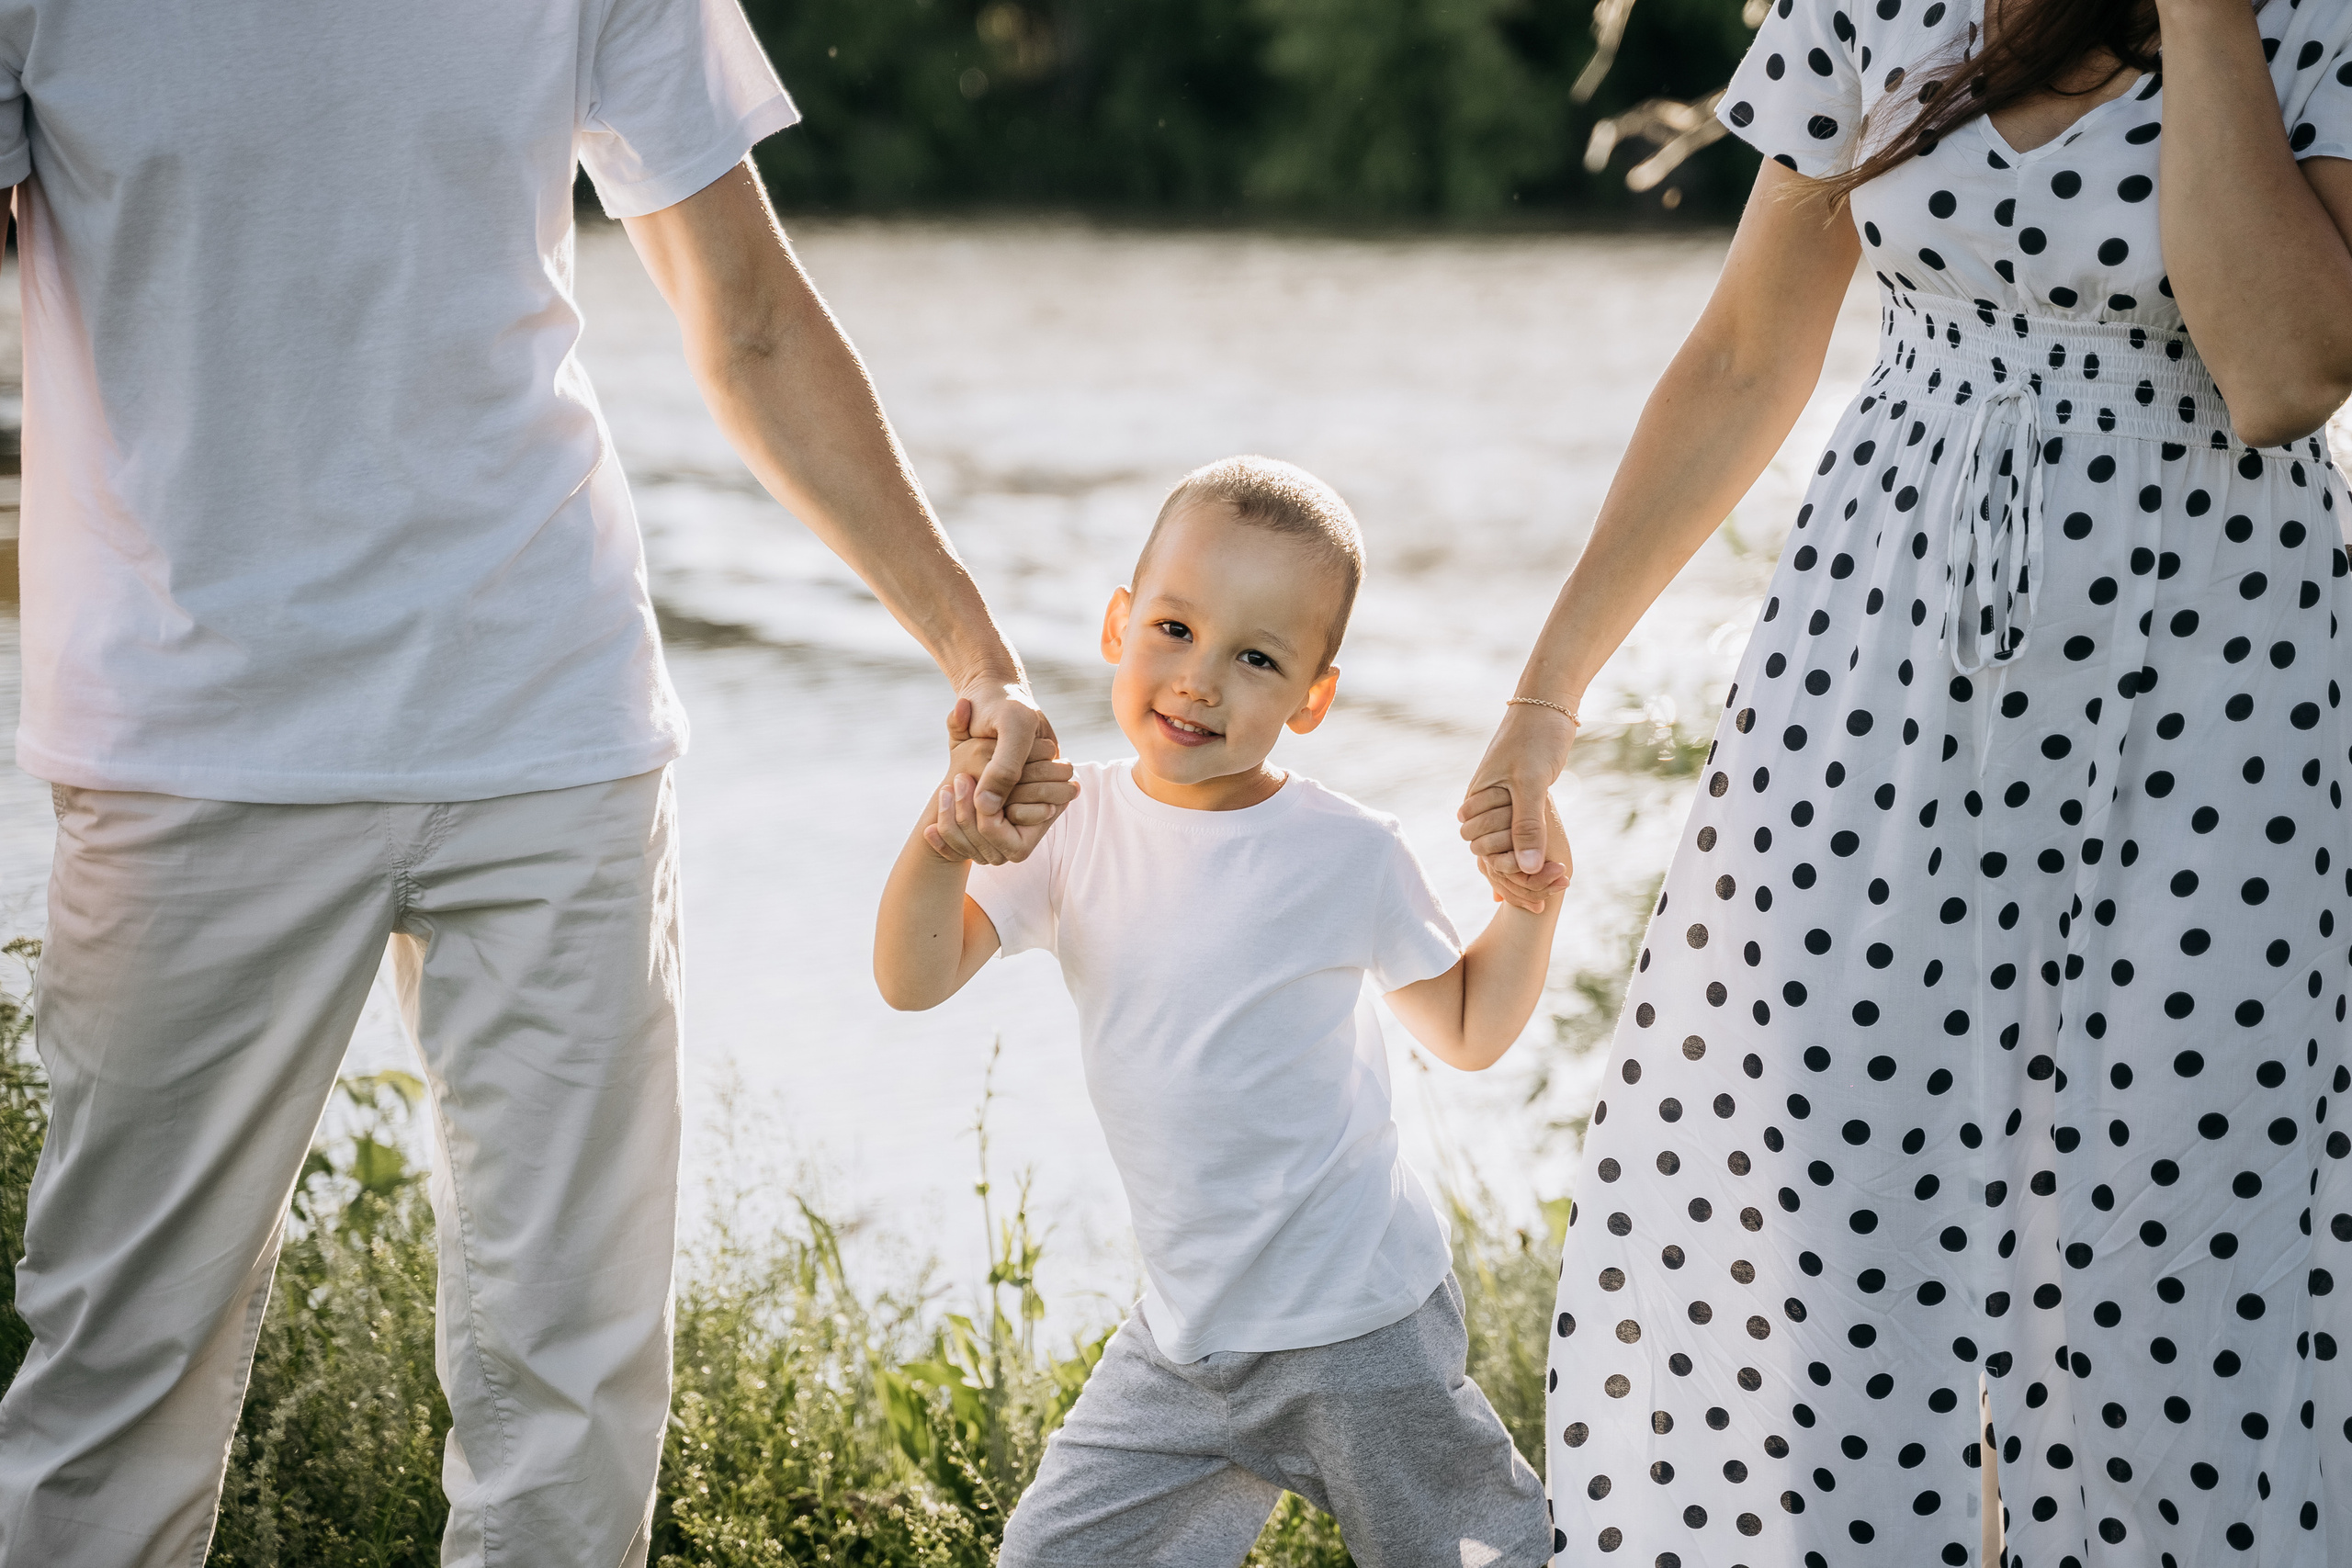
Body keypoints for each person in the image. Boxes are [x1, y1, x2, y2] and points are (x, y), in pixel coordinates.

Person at [0, 2, 1074, 1563]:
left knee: (570, 1404)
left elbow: (746, 315)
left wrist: (974, 649)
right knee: (114, 1395)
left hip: (548, 723)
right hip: (194, 748)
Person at [1456, 0, 2352, 1562]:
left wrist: (2211, 19)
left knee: (2170, 1260)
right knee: (1840, 1236)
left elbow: (2282, 369)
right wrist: (1548, 696)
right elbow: (1746, 350)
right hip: (1872, 690)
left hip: (2218, 713)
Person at [873, 456, 1566, 1567]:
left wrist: (1529, 906)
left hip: (1359, 1330)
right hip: (1182, 1344)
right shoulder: (1067, 822)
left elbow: (1471, 1030)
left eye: (1255, 658)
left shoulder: (1347, 851)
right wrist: (940, 840)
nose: (1199, 681)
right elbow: (912, 977)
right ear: (1117, 624)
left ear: (1313, 697)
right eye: (1175, 630)